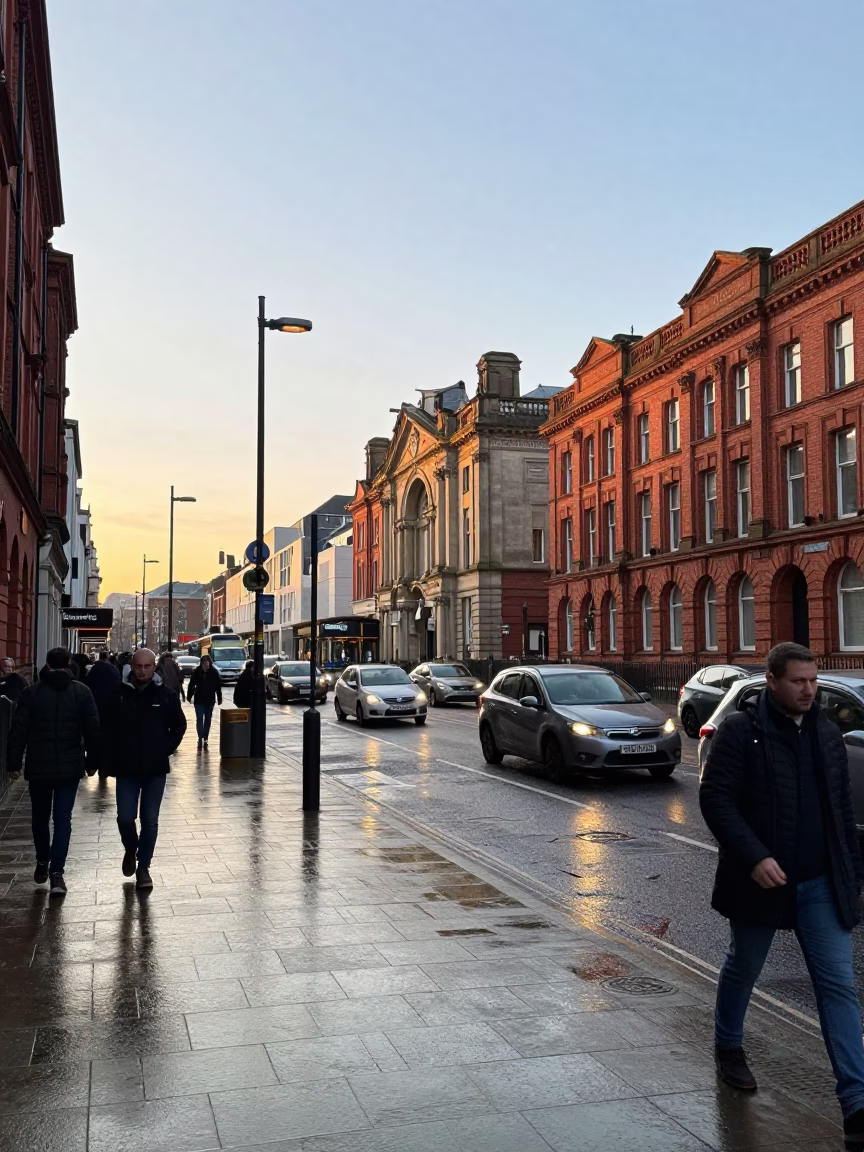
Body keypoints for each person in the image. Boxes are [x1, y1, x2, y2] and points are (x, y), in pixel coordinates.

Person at [700, 641, 864, 1143]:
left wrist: (852, 880)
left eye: (813, 681)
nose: (809, 691)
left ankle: (856, 1105)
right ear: (772, 681)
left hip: (820, 883)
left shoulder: (828, 735)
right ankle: (729, 1044)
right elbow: (716, 799)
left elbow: (840, 815)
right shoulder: (741, 732)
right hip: (761, 882)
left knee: (838, 986)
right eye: (799, 682)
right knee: (744, 965)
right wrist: (755, 856)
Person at [6, 646, 100, 896]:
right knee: (63, 819)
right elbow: (92, 729)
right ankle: (57, 873)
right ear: (69, 663)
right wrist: (93, 762)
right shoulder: (82, 692)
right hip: (70, 766)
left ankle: (42, 860)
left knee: (39, 817)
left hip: (39, 766)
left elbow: (19, 730)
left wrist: (13, 763)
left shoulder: (32, 692)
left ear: (47, 664)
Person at [102, 647, 186, 890]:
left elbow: (179, 725)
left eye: (147, 666)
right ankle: (131, 848)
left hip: (155, 769)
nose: (142, 670)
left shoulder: (166, 695)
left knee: (150, 821)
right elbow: (105, 728)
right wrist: (108, 758)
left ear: (154, 667)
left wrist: (164, 748)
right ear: (132, 666)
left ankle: (144, 867)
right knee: (125, 818)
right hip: (126, 768)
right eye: (138, 666)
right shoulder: (118, 694)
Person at [187, 654, 222, 751]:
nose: (206, 666)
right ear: (201, 664)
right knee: (199, 720)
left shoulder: (214, 672)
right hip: (199, 700)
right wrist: (189, 696)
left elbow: (218, 686)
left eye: (208, 664)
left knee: (207, 720)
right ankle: (200, 738)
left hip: (209, 700)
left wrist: (219, 697)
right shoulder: (197, 672)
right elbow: (191, 685)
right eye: (204, 664)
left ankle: (205, 738)